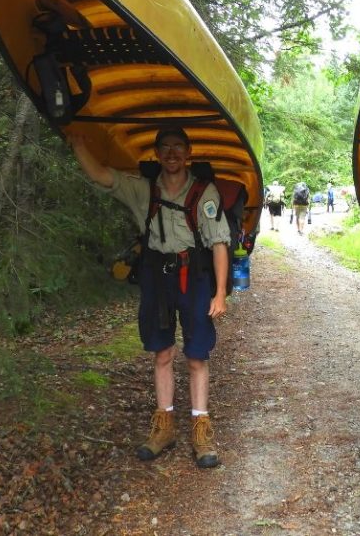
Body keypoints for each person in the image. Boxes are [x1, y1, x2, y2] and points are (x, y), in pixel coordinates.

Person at [68, 126, 230, 469]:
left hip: (194, 277)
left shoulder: (204, 192)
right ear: (157, 154)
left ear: (188, 153)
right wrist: (79, 143)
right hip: (157, 275)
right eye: (165, 148)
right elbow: (101, 175)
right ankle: (164, 427)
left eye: (178, 148)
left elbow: (219, 243)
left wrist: (219, 293)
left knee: (197, 355)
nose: (172, 154)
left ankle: (201, 429)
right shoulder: (143, 190)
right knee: (161, 352)